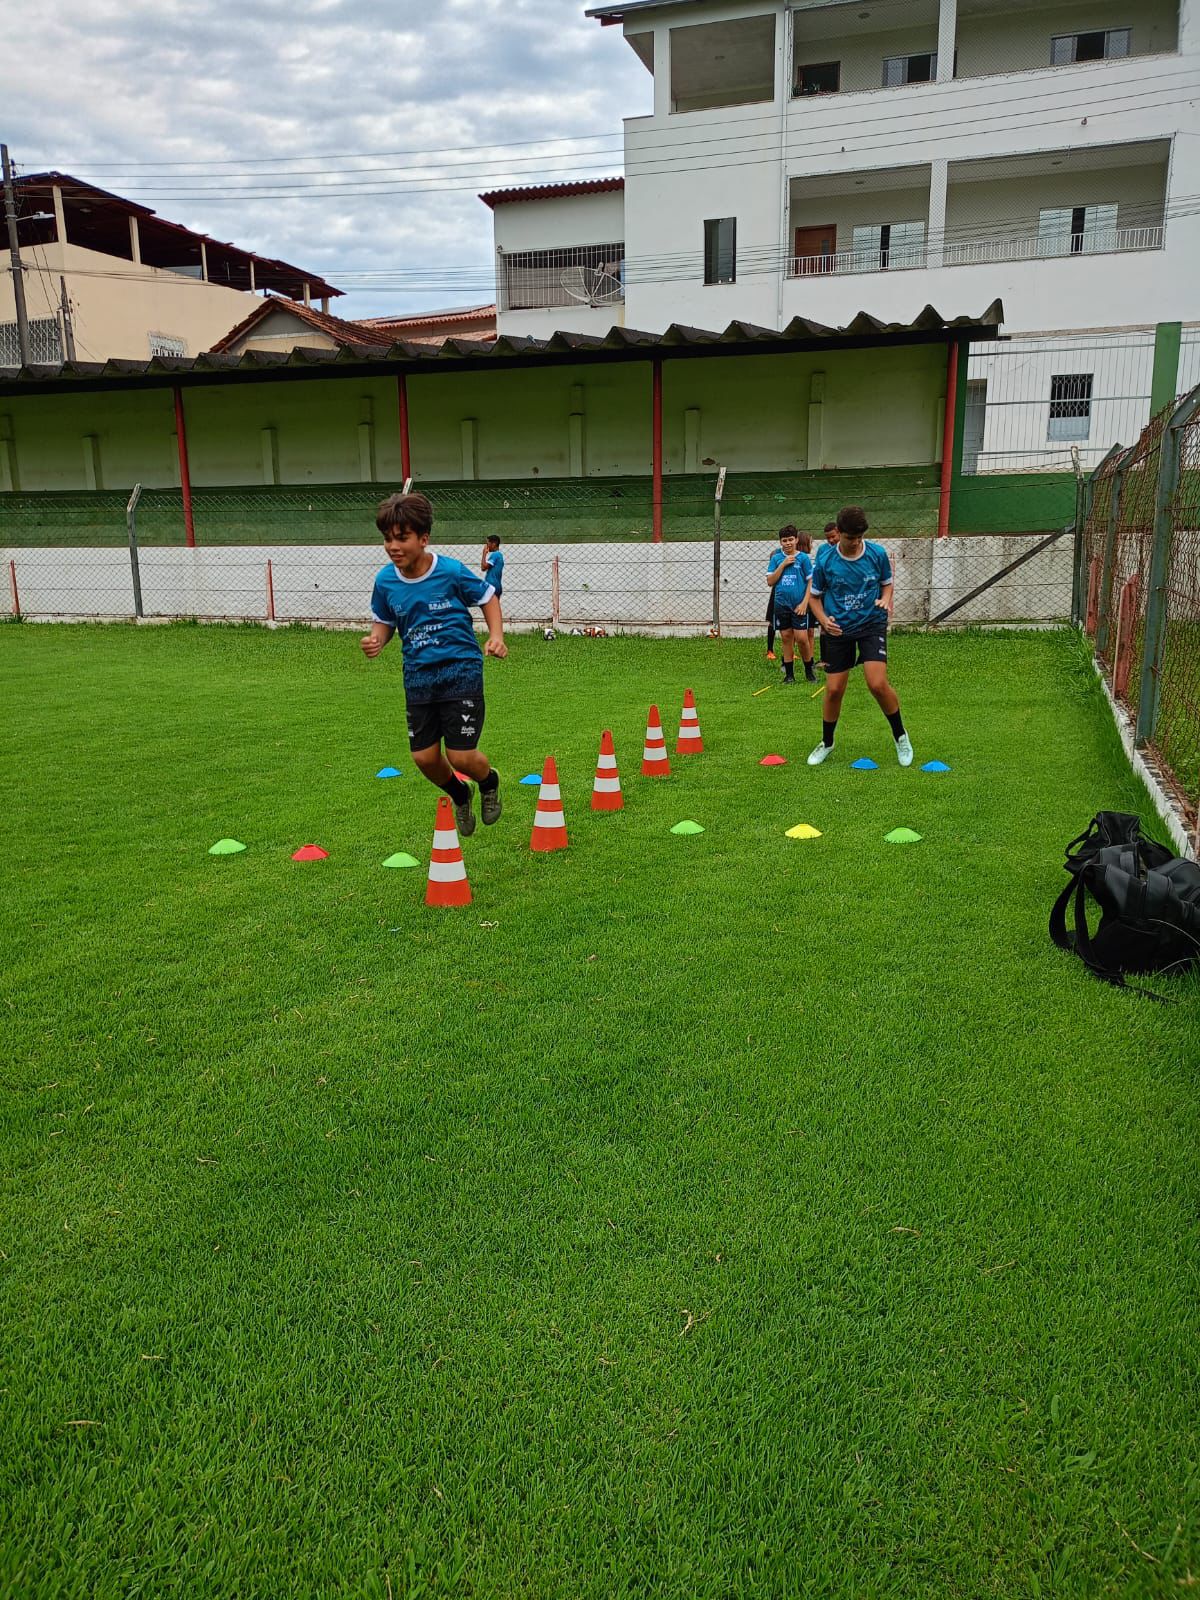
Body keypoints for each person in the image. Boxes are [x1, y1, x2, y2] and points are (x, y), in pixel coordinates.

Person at [361, 491, 507, 834]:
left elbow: (488, 597)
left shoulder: (451, 572)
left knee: (460, 757)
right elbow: (384, 620)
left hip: (460, 670)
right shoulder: (385, 581)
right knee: (424, 758)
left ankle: (488, 782)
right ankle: (460, 794)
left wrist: (496, 635)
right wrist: (376, 640)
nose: (393, 546)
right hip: (418, 676)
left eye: (402, 538)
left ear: (423, 538)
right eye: (387, 539)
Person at [805, 505, 913, 767]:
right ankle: (827, 743)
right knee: (833, 690)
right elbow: (814, 598)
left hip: (870, 625)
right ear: (838, 533)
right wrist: (822, 621)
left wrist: (886, 600)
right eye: (850, 538)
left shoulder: (876, 554)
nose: (855, 543)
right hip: (837, 629)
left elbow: (887, 584)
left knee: (876, 683)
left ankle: (901, 737)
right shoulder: (826, 560)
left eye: (859, 538)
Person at [766, 527, 813, 678]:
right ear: (780, 542)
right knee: (786, 637)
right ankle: (789, 674)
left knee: (801, 638)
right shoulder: (776, 559)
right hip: (781, 605)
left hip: (799, 605)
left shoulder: (804, 558)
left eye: (790, 540)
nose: (787, 543)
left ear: (796, 540)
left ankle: (808, 670)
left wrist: (805, 602)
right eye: (784, 541)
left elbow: (811, 581)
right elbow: (770, 581)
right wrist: (783, 564)